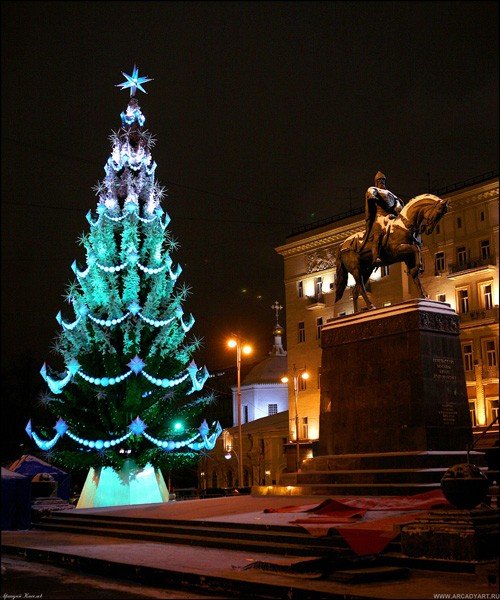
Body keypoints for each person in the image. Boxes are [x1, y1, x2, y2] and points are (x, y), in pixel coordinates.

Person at [361, 171, 404, 265]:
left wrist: (398, 207)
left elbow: (397, 203)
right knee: (379, 232)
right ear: (376, 181)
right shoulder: (373, 189)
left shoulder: (390, 194)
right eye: (379, 180)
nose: (381, 181)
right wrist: (372, 196)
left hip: (390, 217)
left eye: (383, 180)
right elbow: (370, 192)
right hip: (379, 217)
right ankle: (375, 256)